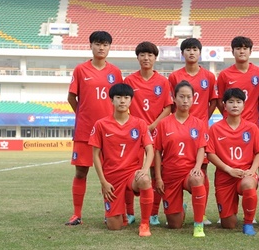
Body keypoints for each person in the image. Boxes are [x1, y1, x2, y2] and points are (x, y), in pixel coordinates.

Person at [65, 31, 123, 226]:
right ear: (91, 46)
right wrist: (82, 116)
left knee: (110, 174)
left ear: (109, 47)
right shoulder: (80, 70)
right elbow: (72, 98)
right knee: (81, 172)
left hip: (110, 132)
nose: (101, 47)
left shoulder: (115, 72)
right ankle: (76, 214)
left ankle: (110, 213)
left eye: (105, 44)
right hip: (85, 131)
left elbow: (120, 100)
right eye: (98, 44)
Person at [88, 83, 155, 237]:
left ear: (131, 101)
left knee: (144, 180)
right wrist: (103, 182)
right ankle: (119, 214)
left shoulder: (139, 124)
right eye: (118, 98)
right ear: (111, 100)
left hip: (132, 174)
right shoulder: (101, 125)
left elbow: (150, 149)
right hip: (112, 178)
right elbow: (95, 155)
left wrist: (144, 169)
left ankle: (144, 224)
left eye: (126, 98)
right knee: (114, 226)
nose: (122, 101)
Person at [168, 38, 217, 225]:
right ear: (182, 53)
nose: (191, 52)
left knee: (201, 170)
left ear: (200, 52)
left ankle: (201, 213)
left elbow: (214, 101)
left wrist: (202, 119)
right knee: (174, 167)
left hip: (199, 130)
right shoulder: (174, 77)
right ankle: (176, 206)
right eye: (187, 49)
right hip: (178, 130)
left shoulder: (209, 77)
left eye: (195, 49)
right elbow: (170, 103)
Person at [124, 41, 173, 226]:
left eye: (150, 55)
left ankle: (153, 214)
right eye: (143, 55)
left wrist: (152, 125)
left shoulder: (163, 81)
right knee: (129, 171)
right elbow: (124, 104)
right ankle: (129, 212)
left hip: (156, 132)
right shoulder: (129, 81)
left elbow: (168, 107)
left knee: (155, 172)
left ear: (155, 58)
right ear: (137, 57)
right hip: (133, 134)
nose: (146, 58)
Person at [206, 88, 259, 236]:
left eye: (239, 102)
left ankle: (248, 223)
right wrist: (228, 169)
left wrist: (252, 170)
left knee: (248, 183)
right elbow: (210, 153)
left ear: (244, 105)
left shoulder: (251, 128)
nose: (235, 105)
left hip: (245, 173)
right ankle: (231, 212)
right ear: (224, 105)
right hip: (225, 177)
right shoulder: (215, 129)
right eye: (231, 102)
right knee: (228, 225)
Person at [154, 81, 209, 237]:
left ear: (193, 99)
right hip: (170, 175)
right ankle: (180, 208)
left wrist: (198, 167)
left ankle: (198, 225)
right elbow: (157, 152)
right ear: (174, 98)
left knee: (198, 179)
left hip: (189, 173)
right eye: (181, 97)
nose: (185, 101)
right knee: (174, 225)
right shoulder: (164, 124)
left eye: (188, 97)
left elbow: (201, 148)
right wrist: (158, 177)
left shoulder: (198, 123)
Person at [216, 36, 259, 127]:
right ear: (232, 52)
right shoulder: (224, 75)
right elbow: (219, 101)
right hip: (230, 125)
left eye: (245, 48)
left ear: (250, 51)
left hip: (252, 124)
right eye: (238, 48)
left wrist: (256, 116)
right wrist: (228, 115)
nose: (242, 51)